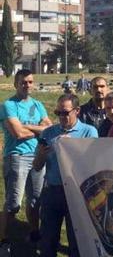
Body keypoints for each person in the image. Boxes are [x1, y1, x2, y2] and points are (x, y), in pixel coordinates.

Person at [33, 94, 98, 257]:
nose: (61, 116)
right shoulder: (48, 133)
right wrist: (41, 154)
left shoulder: (89, 132)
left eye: (65, 112)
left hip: (77, 192)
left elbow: (92, 164)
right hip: (52, 191)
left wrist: (72, 147)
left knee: (76, 240)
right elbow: (37, 166)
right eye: (58, 113)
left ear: (77, 110)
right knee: (48, 239)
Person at [0, 70, 51, 250]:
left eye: (30, 82)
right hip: (17, 157)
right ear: (16, 84)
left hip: (37, 156)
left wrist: (27, 126)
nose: (27, 85)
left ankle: (34, 233)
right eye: (23, 82)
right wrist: (38, 129)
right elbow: (17, 134)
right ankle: (4, 238)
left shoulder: (38, 105)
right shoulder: (8, 105)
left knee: (35, 200)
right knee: (13, 203)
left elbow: (49, 127)